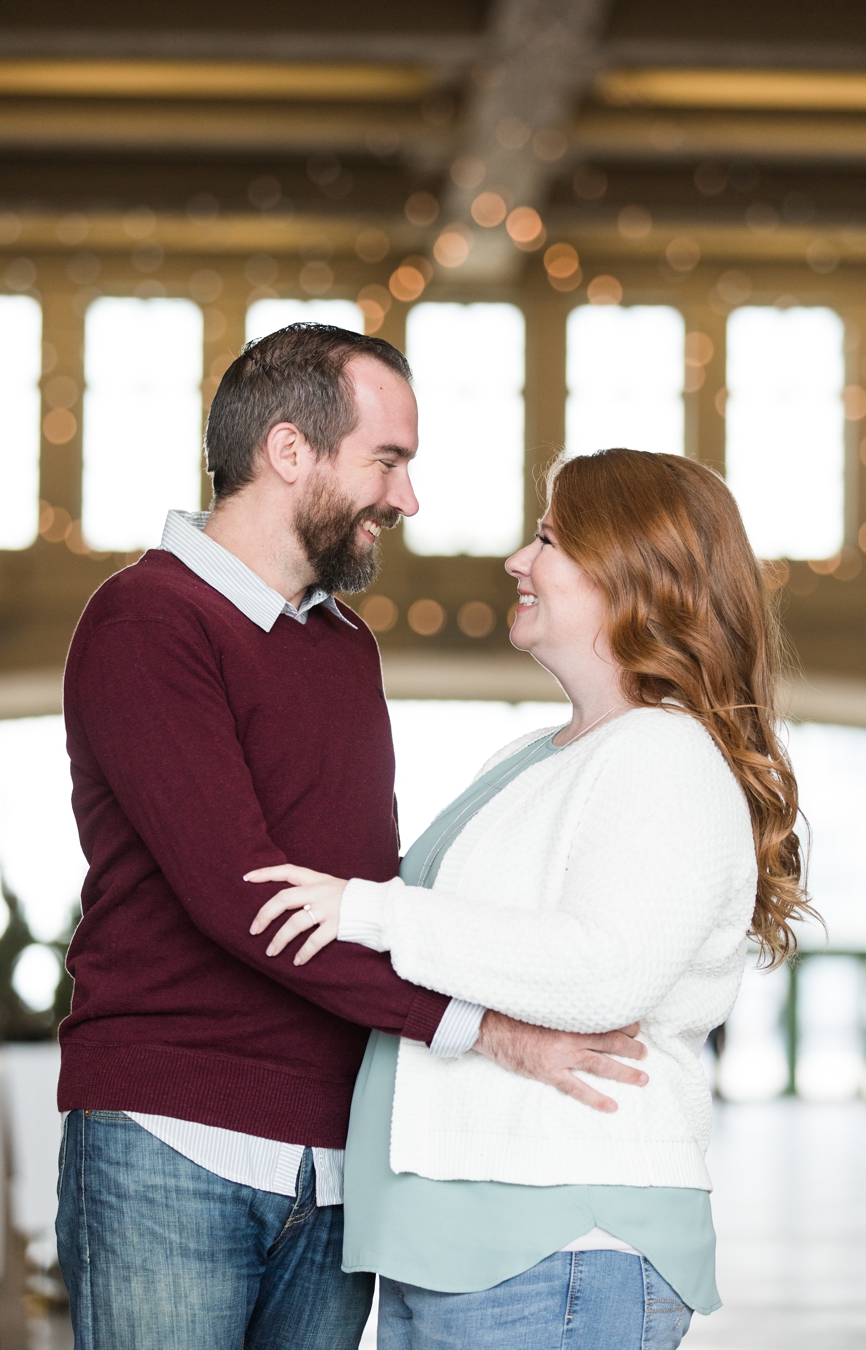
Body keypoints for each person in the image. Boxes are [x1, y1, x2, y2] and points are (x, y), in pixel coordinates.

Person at [56, 323, 647, 1350]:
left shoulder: (342, 647)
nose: (406, 500)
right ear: (291, 453)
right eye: (388, 461)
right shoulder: (146, 619)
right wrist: (495, 1032)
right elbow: (250, 902)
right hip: (170, 1143)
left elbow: (372, 897)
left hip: (338, 1168)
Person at [247, 448, 812, 1347]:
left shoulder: (663, 756)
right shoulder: (536, 758)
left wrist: (369, 910)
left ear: (633, 574)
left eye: (547, 538)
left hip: (559, 1246)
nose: (518, 560)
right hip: (469, 1243)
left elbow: (604, 971)